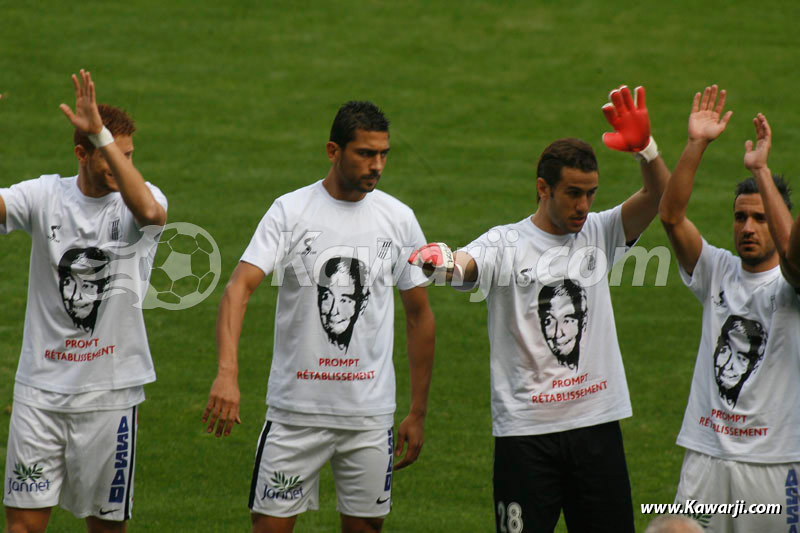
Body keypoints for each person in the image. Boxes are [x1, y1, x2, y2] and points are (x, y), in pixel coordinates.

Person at [409, 85, 670, 532]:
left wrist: (647, 150)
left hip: (596, 427)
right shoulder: (505, 242)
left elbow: (662, 197)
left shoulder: (600, 232)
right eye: (573, 194)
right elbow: (469, 266)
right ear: (542, 188)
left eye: (591, 193)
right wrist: (444, 262)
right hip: (526, 437)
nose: (584, 206)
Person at [202, 100, 435, 533]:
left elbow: (419, 314)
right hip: (295, 414)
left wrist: (417, 411)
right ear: (333, 151)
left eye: (383, 154)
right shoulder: (291, 212)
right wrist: (227, 373)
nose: (377, 165)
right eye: (365, 153)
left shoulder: (399, 220)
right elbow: (238, 289)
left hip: (368, 418)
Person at [0, 70, 167, 532]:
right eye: (111, 156)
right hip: (40, 392)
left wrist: (102, 135)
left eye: (128, 155)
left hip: (110, 396)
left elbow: (152, 214)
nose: (122, 165)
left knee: (105, 527)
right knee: (22, 526)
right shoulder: (43, 196)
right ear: (81, 154)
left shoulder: (142, 201)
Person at [659, 85, 800, 532]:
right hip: (706, 455)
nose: (747, 228)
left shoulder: (790, 286)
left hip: (776, 463)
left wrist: (760, 171)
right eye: (740, 217)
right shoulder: (717, 271)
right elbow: (672, 217)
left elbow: (795, 260)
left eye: (759, 218)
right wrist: (696, 144)